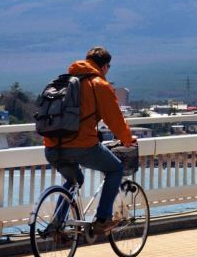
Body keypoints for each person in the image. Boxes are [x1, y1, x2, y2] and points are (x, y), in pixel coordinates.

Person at [44, 46, 136, 236]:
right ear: (104, 66)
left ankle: (57, 224)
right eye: (108, 67)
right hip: (81, 146)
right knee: (115, 168)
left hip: (52, 146)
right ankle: (102, 219)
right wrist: (127, 139)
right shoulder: (99, 85)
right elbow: (115, 120)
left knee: (74, 179)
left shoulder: (64, 81)